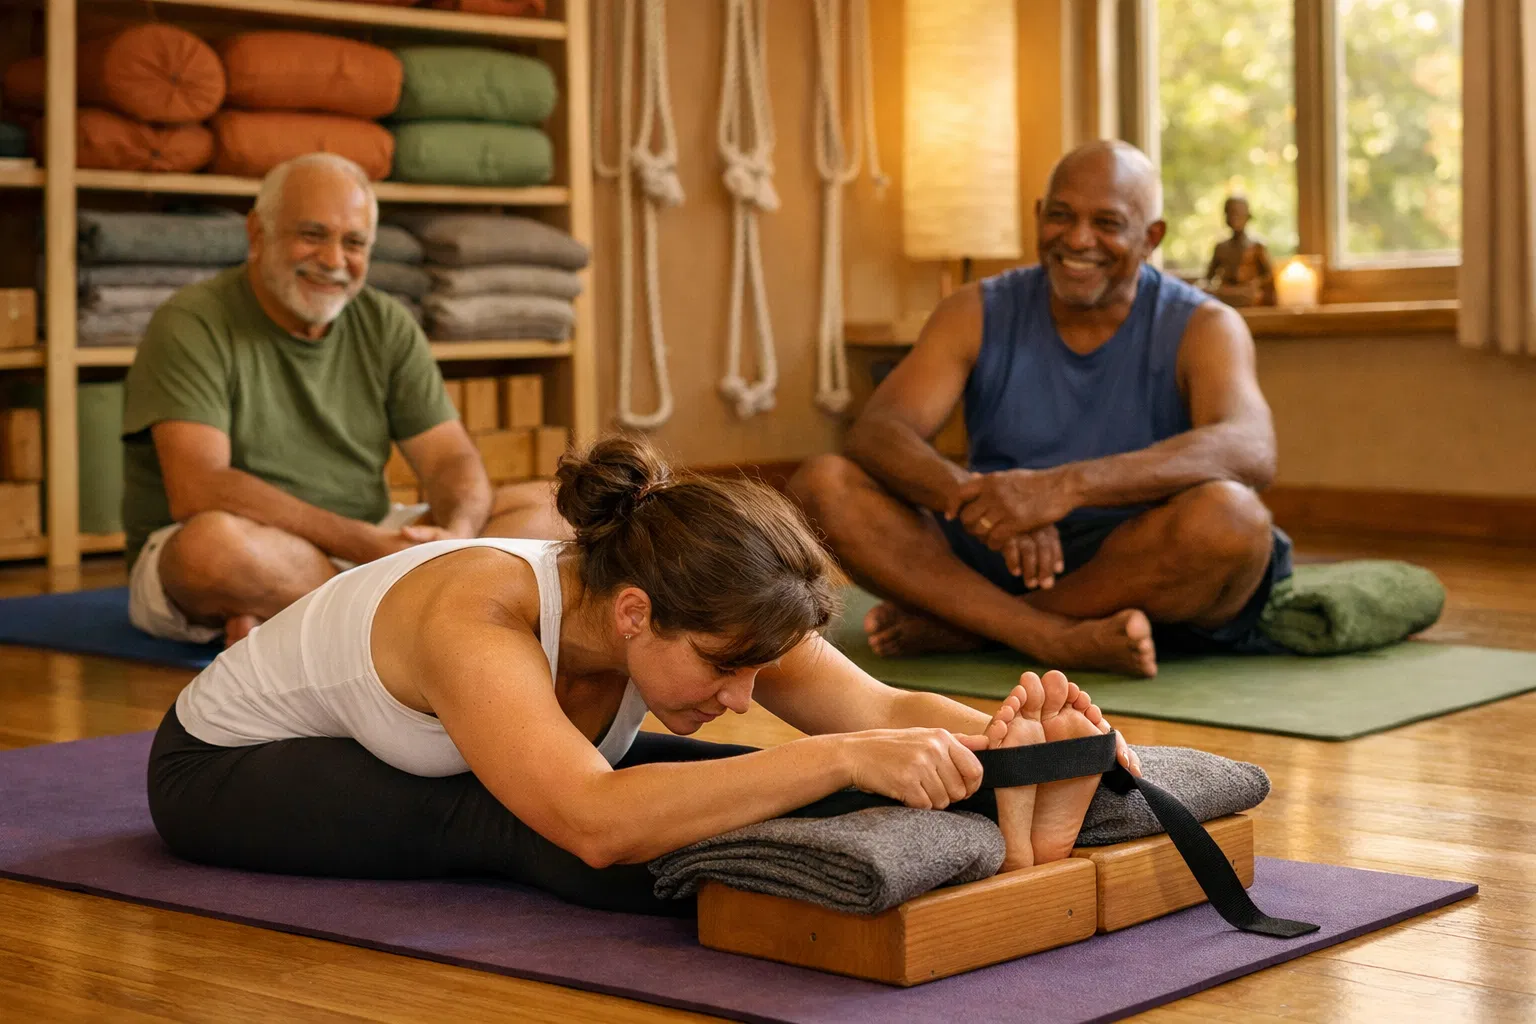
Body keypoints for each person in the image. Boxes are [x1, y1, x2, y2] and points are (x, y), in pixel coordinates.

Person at [146, 436, 1141, 913]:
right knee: (547, 823)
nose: (743, 697)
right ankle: (888, 868)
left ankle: (1003, 827)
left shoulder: (704, 600)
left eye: (756, 671)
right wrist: (847, 754)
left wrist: (1012, 738)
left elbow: (877, 707)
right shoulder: (476, 614)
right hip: (228, 769)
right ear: (633, 614)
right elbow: (595, 819)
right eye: (725, 670)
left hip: (425, 756)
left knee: (731, 778)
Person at [789, 140, 1290, 678]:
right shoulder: (974, 310)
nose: (1077, 239)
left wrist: (1061, 488)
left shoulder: (1206, 326)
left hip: (1132, 555)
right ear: (1037, 217)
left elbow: (1250, 448)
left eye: (1107, 223)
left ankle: (974, 628)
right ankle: (1047, 636)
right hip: (998, 549)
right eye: (1060, 215)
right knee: (823, 484)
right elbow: (878, 431)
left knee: (1233, 521)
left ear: (1151, 238)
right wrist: (982, 503)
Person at [121, 152, 562, 649]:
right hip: (252, 545)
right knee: (212, 548)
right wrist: (366, 546)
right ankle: (416, 620)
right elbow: (198, 488)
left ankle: (307, 622)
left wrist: (456, 535)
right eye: (312, 235)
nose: (333, 261)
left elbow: (449, 458)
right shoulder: (190, 322)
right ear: (257, 234)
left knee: (549, 512)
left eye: (353, 243)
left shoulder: (386, 322)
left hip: (366, 545)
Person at [1202, 195, 1276, 307]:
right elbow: (1209, 277)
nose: (1234, 217)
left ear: (1248, 215)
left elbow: (1269, 275)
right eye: (1230, 213)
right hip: (1226, 291)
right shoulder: (1221, 247)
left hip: (1246, 291)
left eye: (1238, 213)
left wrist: (1256, 283)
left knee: (1251, 296)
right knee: (1209, 295)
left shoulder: (1257, 245)